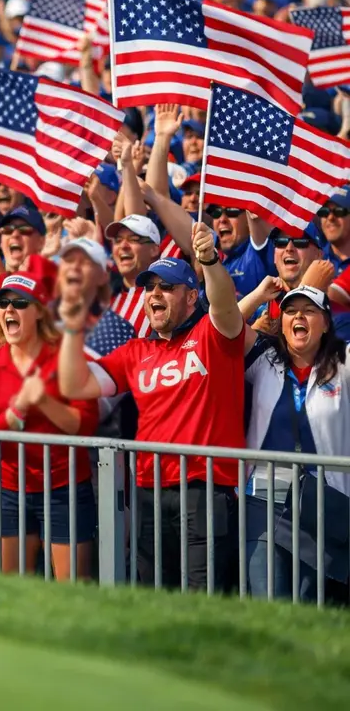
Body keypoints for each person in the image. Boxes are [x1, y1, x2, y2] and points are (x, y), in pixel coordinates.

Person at [59, 224, 250, 591]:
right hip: (147, 490)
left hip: (203, 489)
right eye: (149, 288)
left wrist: (208, 259)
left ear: (192, 298)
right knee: (154, 597)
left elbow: (225, 303)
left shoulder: (214, 336)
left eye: (166, 287)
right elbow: (75, 384)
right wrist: (70, 327)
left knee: (201, 598)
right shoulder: (135, 351)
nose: (154, 295)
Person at [0, 272, 99, 580]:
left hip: (63, 488)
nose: (9, 311)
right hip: (7, 488)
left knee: (72, 591)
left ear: (40, 312)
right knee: (11, 591)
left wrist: (43, 401)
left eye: (19, 303)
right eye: (3, 303)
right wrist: (16, 410)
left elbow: (84, 426)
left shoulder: (67, 358)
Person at [243, 286, 350, 601]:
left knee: (304, 604)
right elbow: (221, 326)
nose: (299, 317)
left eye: (309, 310)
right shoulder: (263, 357)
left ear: (326, 323)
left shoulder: (344, 360)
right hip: (263, 495)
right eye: (291, 311)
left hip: (322, 501)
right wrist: (260, 295)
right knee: (267, 598)